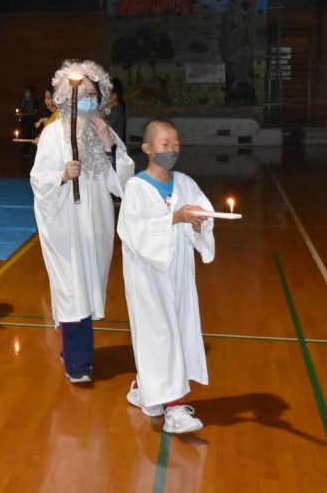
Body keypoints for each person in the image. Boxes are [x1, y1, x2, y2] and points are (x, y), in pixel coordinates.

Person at [30, 60, 134, 383]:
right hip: (64, 226)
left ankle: (71, 347)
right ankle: (78, 364)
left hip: (96, 225)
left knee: (85, 288)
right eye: (82, 94)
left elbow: (124, 183)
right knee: (71, 287)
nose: (88, 99)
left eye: (93, 93)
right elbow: (38, 180)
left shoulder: (104, 130)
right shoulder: (52, 135)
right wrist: (62, 176)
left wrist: (108, 146)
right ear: (66, 96)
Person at [118, 119, 214, 434]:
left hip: (179, 274)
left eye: (176, 143)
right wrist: (175, 217)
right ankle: (174, 409)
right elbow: (133, 231)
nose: (172, 149)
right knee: (160, 334)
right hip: (148, 277)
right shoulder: (136, 187)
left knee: (177, 330)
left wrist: (199, 223)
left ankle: (146, 387)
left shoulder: (186, 183)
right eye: (164, 143)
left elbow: (203, 218)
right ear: (147, 148)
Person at [18, 86, 41, 154]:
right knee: (23, 135)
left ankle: (29, 151)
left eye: (28, 91)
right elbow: (20, 109)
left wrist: (27, 114)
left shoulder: (34, 101)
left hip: (30, 121)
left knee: (29, 136)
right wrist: (20, 113)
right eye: (26, 91)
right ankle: (24, 151)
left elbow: (35, 111)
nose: (27, 93)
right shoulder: (23, 101)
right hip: (23, 121)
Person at [108, 78, 128, 144]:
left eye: (107, 92)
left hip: (116, 146)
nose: (104, 94)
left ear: (114, 96)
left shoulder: (117, 111)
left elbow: (106, 127)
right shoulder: (113, 107)